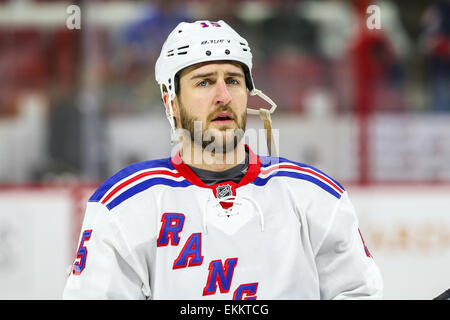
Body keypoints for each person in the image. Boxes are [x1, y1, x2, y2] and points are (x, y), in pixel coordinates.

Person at [63, 20, 383, 299]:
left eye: (233, 80)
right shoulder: (124, 205)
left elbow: (358, 292)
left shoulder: (314, 196)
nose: (223, 96)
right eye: (204, 82)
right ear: (171, 102)